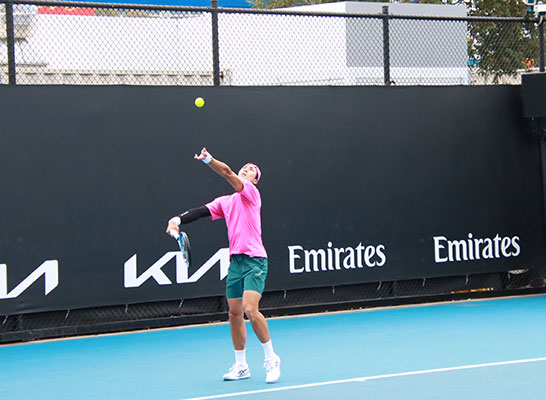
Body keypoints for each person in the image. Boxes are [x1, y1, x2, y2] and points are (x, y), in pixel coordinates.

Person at [165, 147, 281, 384]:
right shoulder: (226, 202)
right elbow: (199, 212)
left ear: (254, 181)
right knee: (234, 313)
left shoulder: (251, 193)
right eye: (245, 167)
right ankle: (241, 366)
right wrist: (175, 220)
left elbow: (227, 173)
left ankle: (271, 359)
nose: (246, 169)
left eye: (251, 170)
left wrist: (208, 160)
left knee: (250, 309)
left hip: (255, 260)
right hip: (235, 262)